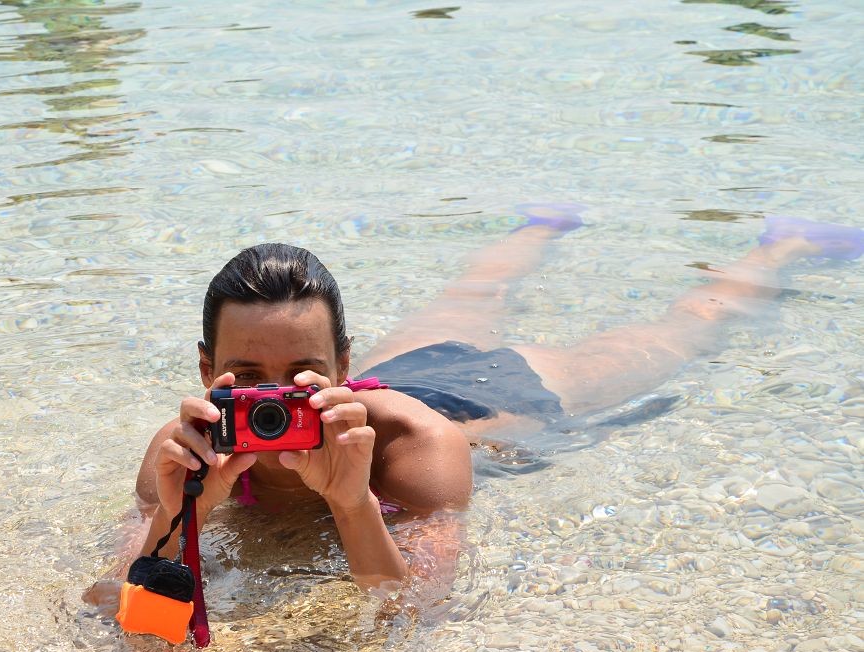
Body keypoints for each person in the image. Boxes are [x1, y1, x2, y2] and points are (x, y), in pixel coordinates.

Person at [83, 207, 862, 608]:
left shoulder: (419, 448)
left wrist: (353, 502)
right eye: (247, 378)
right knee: (470, 294)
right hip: (397, 377)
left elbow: (412, 610)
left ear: (345, 367)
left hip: (492, 398)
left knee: (678, 334)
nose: (275, 400)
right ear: (206, 369)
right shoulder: (183, 450)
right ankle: (543, 222)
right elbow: (103, 605)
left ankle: (781, 245)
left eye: (303, 377)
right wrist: (176, 517)